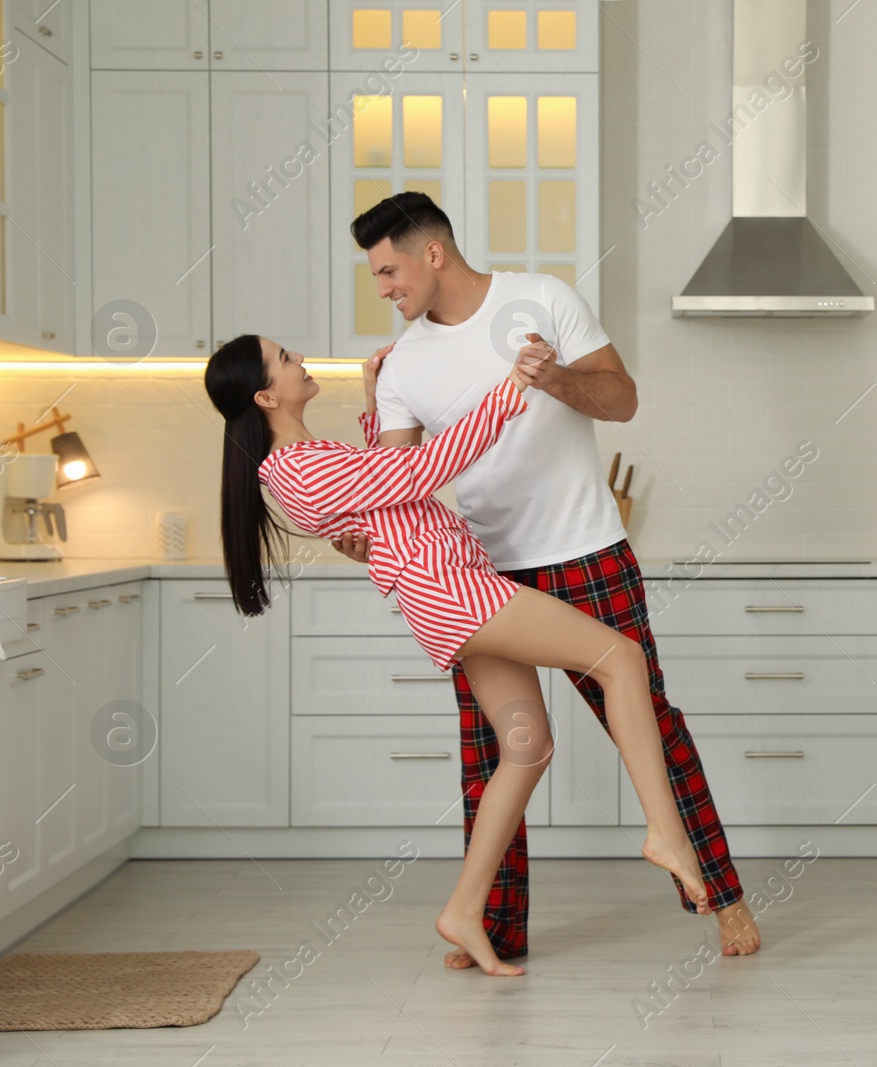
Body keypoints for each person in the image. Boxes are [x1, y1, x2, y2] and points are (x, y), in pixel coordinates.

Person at [334, 191, 760, 965]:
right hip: (481, 576)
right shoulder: (401, 366)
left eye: (390, 269)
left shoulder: (544, 297)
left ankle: (721, 896)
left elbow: (622, 399)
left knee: (654, 725)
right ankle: (492, 925)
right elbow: (397, 484)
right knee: (496, 752)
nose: (385, 288)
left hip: (588, 552)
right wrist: (362, 523)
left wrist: (554, 377)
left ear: (432, 253)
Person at [204, 333, 712, 977]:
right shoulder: (297, 467)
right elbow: (421, 470)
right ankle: (664, 831)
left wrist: (374, 403)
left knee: (528, 748)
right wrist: (513, 389)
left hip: (455, 588)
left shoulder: (305, 457)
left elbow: (378, 488)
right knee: (621, 658)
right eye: (285, 358)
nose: (299, 358)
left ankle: (464, 909)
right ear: (266, 394)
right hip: (458, 592)